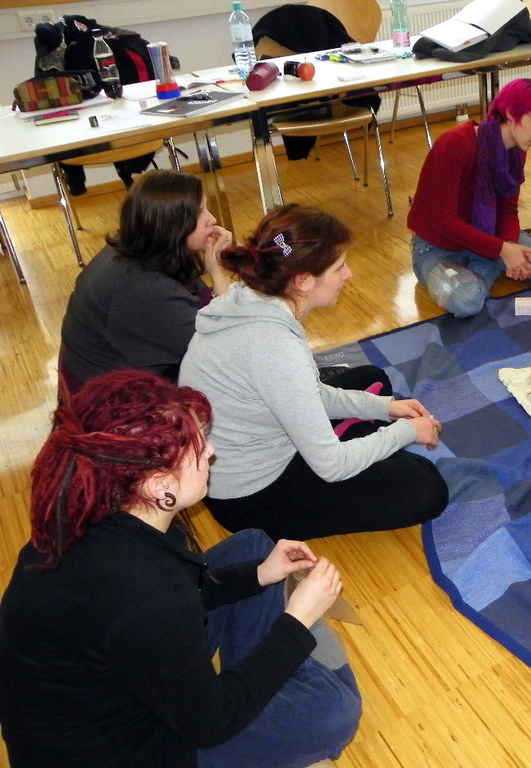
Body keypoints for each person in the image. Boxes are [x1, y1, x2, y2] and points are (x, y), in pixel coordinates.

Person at [0, 370, 361, 768]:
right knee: (333, 712)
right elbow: (211, 725)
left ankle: (263, 680)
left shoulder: (95, 514)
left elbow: (175, 593)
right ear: (160, 487)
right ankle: (279, 682)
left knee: (254, 548)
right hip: (120, 751)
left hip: (107, 687)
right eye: (197, 446)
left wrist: (259, 574)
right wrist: (297, 622)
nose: (211, 451)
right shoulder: (147, 593)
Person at [179, 204, 449, 541]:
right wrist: (405, 432)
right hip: (252, 496)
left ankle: (356, 433)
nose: (348, 274)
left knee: (371, 379)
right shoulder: (275, 346)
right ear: (304, 281)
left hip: (241, 455)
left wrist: (385, 408)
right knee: (426, 486)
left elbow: (309, 391)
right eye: (338, 267)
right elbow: (332, 466)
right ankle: (355, 438)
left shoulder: (250, 298)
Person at [407, 78, 531, 318]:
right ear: (511, 112)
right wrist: (502, 250)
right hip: (437, 247)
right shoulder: (455, 143)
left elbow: (508, 209)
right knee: (467, 302)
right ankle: (481, 269)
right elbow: (443, 221)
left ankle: (480, 267)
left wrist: (509, 245)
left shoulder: (517, 152)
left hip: (489, 236)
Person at [59, 169, 233, 393]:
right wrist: (220, 275)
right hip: (111, 397)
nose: (212, 219)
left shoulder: (149, 243)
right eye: (199, 213)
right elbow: (223, 347)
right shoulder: (146, 288)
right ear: (173, 224)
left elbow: (200, 298)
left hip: (111, 368)